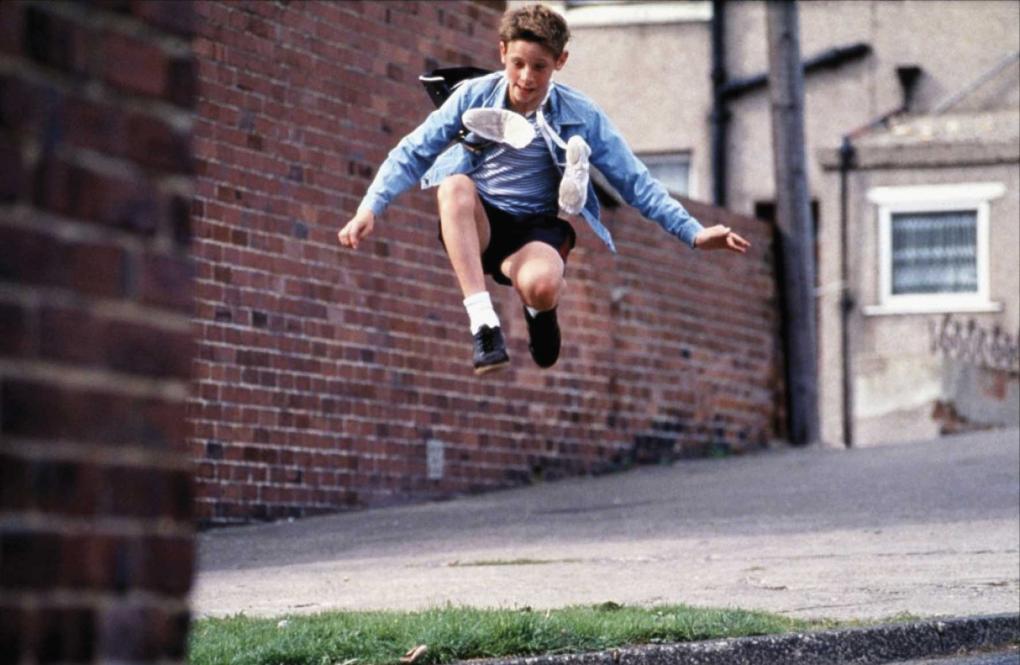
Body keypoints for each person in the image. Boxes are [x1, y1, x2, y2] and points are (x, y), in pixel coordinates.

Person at [338, 3, 750, 375]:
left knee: (543, 285)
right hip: (480, 222)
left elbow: (635, 181)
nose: (526, 78)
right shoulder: (473, 96)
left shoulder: (581, 114)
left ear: (560, 62)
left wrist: (693, 232)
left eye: (539, 67)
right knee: (454, 186)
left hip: (534, 229)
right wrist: (370, 207)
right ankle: (484, 325)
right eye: (517, 63)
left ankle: (540, 313)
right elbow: (412, 151)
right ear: (502, 52)